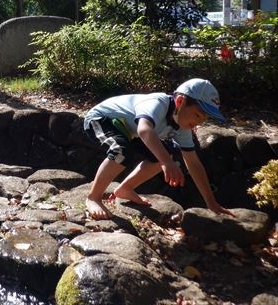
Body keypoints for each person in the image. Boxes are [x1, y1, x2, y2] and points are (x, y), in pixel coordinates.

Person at [83, 78, 234, 220]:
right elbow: (144, 130)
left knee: (164, 154)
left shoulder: (182, 127)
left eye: (203, 119)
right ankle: (93, 197)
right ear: (180, 101)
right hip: (101, 120)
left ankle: (125, 189)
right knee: (122, 150)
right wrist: (167, 162)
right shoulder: (158, 103)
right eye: (197, 115)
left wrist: (210, 201)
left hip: (128, 130)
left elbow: (193, 163)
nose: (197, 123)